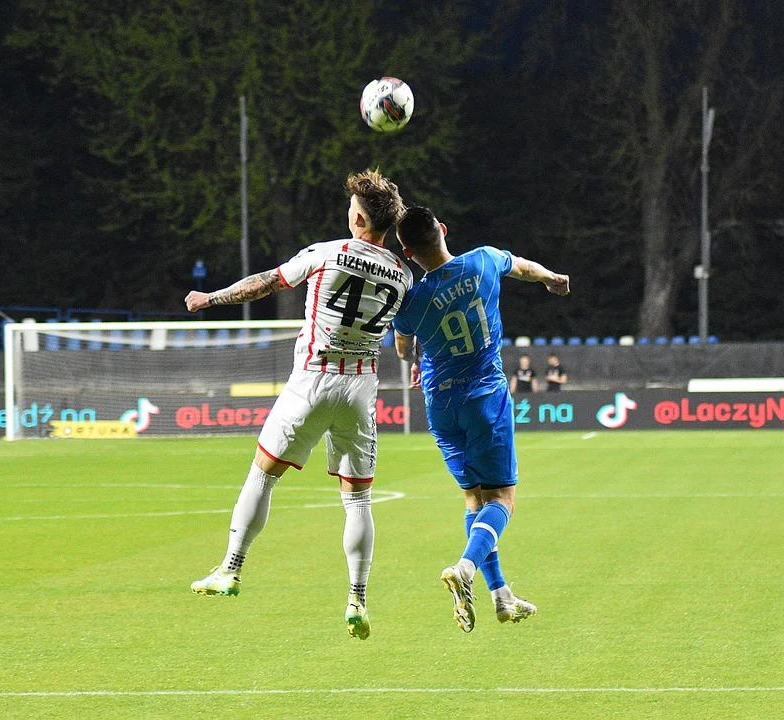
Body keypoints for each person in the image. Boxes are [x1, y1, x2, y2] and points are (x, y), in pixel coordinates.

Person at [183, 169, 412, 641]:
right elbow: (406, 336)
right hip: (360, 389)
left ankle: (230, 569)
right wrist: (410, 360)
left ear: (357, 217)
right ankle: (357, 599)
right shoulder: (405, 275)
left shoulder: (327, 253)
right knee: (359, 500)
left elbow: (265, 283)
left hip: (311, 380)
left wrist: (211, 298)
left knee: (263, 475)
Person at [392, 206, 569, 632]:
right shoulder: (485, 260)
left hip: (440, 405)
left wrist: (418, 356)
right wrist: (550, 278)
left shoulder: (411, 301)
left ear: (408, 252)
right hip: (485, 398)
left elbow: (402, 349)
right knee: (503, 499)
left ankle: (501, 596)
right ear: (444, 231)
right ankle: (466, 568)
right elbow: (524, 268)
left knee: (475, 500)